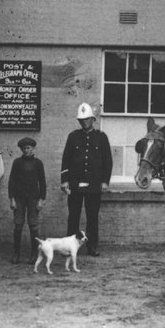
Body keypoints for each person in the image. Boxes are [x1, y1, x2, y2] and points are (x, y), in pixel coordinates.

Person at [60, 103, 112, 257]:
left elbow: (108, 161)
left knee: (92, 217)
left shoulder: (101, 137)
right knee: (73, 216)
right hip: (75, 184)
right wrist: (64, 180)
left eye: (87, 119)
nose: (84, 122)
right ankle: (70, 247)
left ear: (93, 119)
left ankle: (92, 246)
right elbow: (66, 160)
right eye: (81, 120)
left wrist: (105, 182)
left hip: (94, 184)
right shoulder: (73, 136)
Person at [8, 136, 47, 264]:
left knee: (33, 226)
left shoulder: (38, 163)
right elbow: (11, 181)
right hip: (19, 198)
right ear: (21, 149)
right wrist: (12, 199)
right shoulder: (17, 162)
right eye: (24, 148)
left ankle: (34, 254)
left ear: (33, 148)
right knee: (18, 225)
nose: (26, 150)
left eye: (28, 148)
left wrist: (41, 199)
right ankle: (16, 254)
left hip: (33, 198)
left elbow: (42, 182)